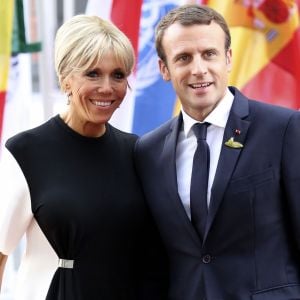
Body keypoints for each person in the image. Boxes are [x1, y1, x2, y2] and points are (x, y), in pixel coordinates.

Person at [134, 4, 300, 300]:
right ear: (164, 69)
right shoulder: (148, 151)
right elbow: (153, 259)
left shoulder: (285, 129)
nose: (199, 69)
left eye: (208, 54)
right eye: (183, 58)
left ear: (228, 58)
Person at [0, 15, 168, 300]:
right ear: (65, 78)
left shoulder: (136, 151)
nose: (107, 88)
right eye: (92, 73)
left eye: (118, 75)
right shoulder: (25, 152)